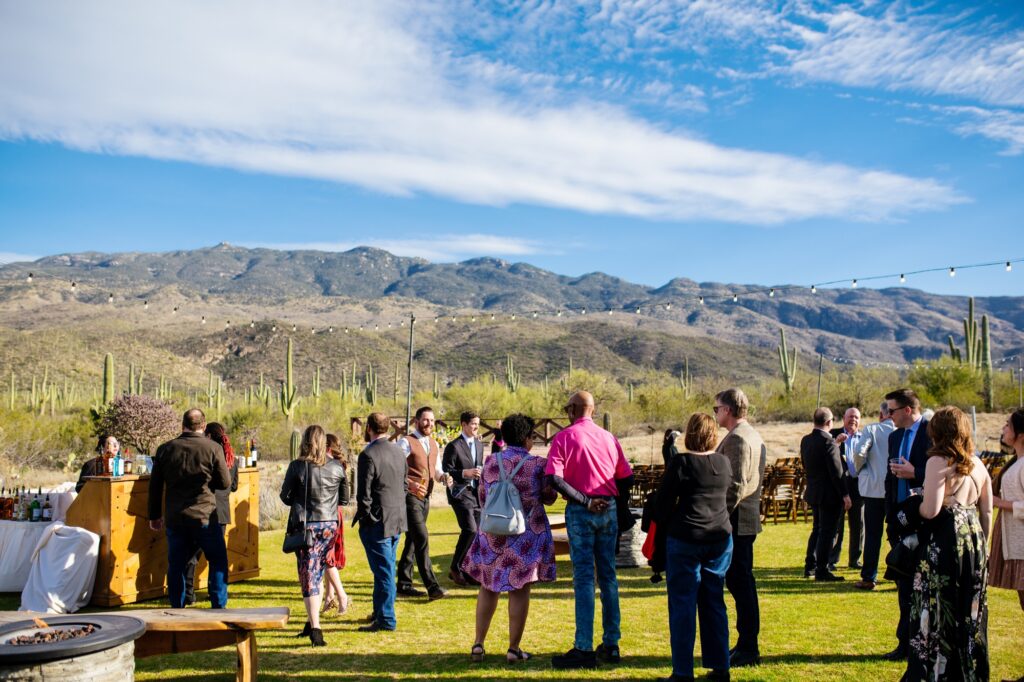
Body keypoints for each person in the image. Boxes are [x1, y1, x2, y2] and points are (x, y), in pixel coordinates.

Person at [546, 391, 634, 670]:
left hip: (581, 510)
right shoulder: (609, 438)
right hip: (607, 508)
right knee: (608, 576)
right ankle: (611, 643)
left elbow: (554, 478)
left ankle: (583, 647)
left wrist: (585, 500)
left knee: (584, 578)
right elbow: (626, 477)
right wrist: (610, 503)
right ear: (593, 410)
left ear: (573, 409)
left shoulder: (564, 437)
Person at [905, 406, 991, 681]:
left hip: (946, 541)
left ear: (938, 432)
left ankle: (937, 672)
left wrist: (911, 508)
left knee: (939, 605)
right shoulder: (978, 464)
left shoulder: (938, 461)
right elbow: (986, 510)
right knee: (970, 608)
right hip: (974, 541)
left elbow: (931, 510)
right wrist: (983, 544)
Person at [463, 414, 557, 663]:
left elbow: (483, 496)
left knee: (488, 586)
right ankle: (513, 649)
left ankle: (478, 644)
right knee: (519, 588)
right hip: (525, 535)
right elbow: (549, 497)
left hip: (493, 533)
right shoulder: (538, 464)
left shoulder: (491, 461)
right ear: (527, 438)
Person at [654, 413, 733, 682]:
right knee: (714, 602)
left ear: (690, 434)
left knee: (683, 604)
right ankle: (720, 666)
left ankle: (683, 671)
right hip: (720, 537)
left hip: (686, 537)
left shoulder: (682, 462)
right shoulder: (723, 462)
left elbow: (664, 501)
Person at [147, 408, 230, 609]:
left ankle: (178, 604)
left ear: (182, 425)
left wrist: (154, 515)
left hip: (176, 517)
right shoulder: (212, 448)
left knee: (176, 564)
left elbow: (155, 486)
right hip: (204, 516)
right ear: (203, 425)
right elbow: (225, 482)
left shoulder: (166, 449)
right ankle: (218, 605)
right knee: (217, 560)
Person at [713, 388, 766, 667]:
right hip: (742, 519)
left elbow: (735, 486)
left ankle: (748, 646)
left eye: (716, 408)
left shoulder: (739, 439)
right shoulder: (748, 435)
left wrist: (717, 518)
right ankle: (745, 644)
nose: (715, 413)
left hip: (737, 521)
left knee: (741, 584)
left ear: (728, 410)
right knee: (739, 583)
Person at [279, 425, 345, 646]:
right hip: (329, 525)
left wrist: (299, 498)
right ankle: (310, 622)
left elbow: (285, 497)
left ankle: (316, 629)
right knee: (316, 571)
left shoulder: (297, 466)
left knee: (309, 576)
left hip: (307, 527)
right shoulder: (337, 467)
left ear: (305, 442)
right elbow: (344, 499)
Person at [883, 388, 931, 662]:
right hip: (898, 521)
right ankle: (904, 643)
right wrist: (890, 515)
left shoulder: (931, 432)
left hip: (924, 519)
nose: (888, 415)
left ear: (908, 410)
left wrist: (916, 473)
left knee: (922, 587)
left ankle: (922, 643)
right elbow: (889, 479)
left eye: (892, 410)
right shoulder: (894, 436)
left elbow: (945, 472)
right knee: (903, 585)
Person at [354, 412, 409, 632]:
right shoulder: (398, 451)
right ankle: (379, 611)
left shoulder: (368, 455)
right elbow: (404, 485)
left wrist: (366, 517)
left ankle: (386, 618)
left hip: (378, 522)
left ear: (368, 428)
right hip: (396, 518)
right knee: (383, 569)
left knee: (384, 571)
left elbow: (364, 494)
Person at [183, 422, 239, 606]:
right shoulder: (232, 459)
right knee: (216, 557)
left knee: (192, 556)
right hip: (222, 511)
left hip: (204, 509)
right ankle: (214, 593)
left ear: (208, 436)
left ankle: (189, 594)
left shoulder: (207, 455)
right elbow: (234, 486)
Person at [396, 406, 448, 600]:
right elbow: (396, 470)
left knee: (412, 540)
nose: (429, 424)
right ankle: (432, 586)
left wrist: (444, 478)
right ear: (416, 421)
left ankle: (403, 583)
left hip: (426, 498)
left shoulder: (433, 444)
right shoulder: (406, 442)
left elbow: (437, 470)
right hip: (410, 498)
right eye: (426, 420)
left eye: (432, 421)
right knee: (422, 538)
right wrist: (410, 484)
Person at [801, 408, 851, 582]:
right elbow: (836, 472)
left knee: (817, 530)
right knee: (827, 533)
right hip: (829, 495)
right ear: (829, 422)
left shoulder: (806, 440)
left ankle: (810, 565)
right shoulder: (829, 442)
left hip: (814, 491)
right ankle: (822, 569)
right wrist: (845, 494)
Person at [851, 402, 895, 590]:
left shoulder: (872, 429)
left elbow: (859, 452)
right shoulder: (901, 430)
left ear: (881, 414)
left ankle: (869, 576)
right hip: (894, 489)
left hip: (873, 490)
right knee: (896, 534)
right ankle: (900, 574)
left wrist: (860, 470)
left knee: (872, 536)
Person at [443, 411, 484, 587]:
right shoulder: (453, 446)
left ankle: (468, 572)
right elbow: (446, 470)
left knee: (477, 534)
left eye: (477, 424)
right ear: (464, 424)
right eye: (473, 423)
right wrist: (463, 473)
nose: (476, 427)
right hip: (460, 493)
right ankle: (455, 567)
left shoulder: (479, 445)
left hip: (476, 495)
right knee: (470, 530)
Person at [989, 409, 1024, 615]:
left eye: (1008, 425)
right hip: (1014, 542)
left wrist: (1000, 503)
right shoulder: (1016, 462)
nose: (1003, 429)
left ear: (1020, 435)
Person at [321, 433, 350, 616]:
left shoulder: (332, 467)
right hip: (334, 512)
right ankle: (329, 596)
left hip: (329, 514)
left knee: (327, 557)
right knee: (328, 556)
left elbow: (343, 497)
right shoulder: (338, 466)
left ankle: (341, 595)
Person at [831, 408, 864, 570]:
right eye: (850, 416)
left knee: (858, 524)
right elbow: (828, 458)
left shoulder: (865, 437)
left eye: (856, 417)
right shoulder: (833, 434)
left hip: (858, 486)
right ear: (843, 418)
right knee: (837, 525)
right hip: (839, 487)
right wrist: (836, 443)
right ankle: (832, 559)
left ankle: (854, 559)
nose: (853, 420)